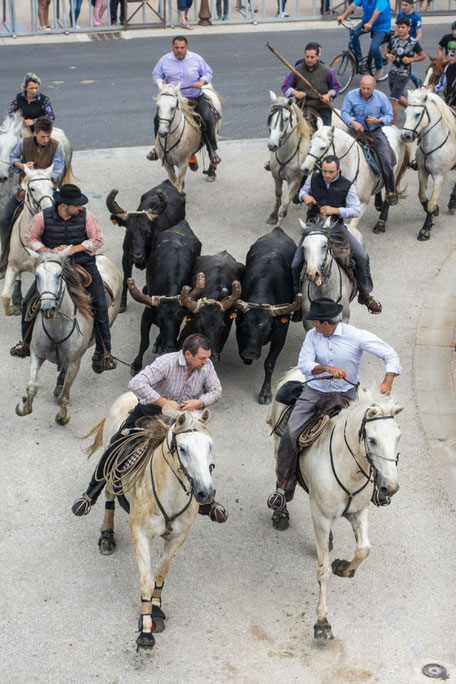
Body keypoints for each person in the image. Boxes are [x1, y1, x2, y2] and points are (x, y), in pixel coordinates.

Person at [71, 333, 227, 522]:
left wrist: (198, 402)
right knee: (115, 445)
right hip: (151, 412)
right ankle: (90, 495)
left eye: (207, 358)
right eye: (202, 358)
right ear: (188, 355)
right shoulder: (166, 363)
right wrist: (163, 402)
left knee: (199, 450)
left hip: (185, 418)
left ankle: (207, 500)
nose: (206, 362)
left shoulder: (206, 367)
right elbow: (136, 383)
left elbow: (216, 390)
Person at [267, 297, 402, 511]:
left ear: (326, 323)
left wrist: (388, 380)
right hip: (315, 391)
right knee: (290, 434)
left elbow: (390, 354)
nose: (312, 325)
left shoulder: (355, 336)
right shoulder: (313, 336)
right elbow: (304, 364)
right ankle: (283, 486)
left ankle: (378, 487)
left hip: (347, 394)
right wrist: (326, 369)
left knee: (371, 435)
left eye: (315, 321)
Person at [9, 183, 117, 373]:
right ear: (64, 205)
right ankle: (25, 344)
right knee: (28, 303)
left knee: (100, 304)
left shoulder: (86, 216)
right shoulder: (42, 217)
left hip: (82, 263)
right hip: (52, 265)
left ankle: (104, 352)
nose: (80, 208)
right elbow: (29, 238)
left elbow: (97, 239)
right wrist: (47, 251)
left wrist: (73, 248)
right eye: (77, 205)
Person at [295, 155, 382, 314]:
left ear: (338, 170)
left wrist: (335, 210)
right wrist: (304, 197)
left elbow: (355, 209)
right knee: (295, 263)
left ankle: (365, 294)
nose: (327, 175)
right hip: (313, 228)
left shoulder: (347, 186)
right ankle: (296, 299)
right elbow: (303, 192)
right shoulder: (314, 178)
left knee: (362, 256)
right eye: (324, 171)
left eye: (331, 172)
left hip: (336, 228)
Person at [0, 116, 64, 279]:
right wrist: (21, 165)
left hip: (47, 190)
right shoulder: (23, 143)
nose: (46, 140)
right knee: (5, 219)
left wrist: (44, 175)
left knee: (65, 217)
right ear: (35, 133)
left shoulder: (56, 146)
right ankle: (5, 256)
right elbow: (13, 158)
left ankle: (66, 256)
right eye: (43, 136)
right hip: (26, 191)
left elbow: (58, 168)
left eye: (48, 136)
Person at [146, 36, 221, 166]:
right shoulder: (165, 60)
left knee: (207, 119)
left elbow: (208, 72)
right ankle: (157, 148)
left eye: (182, 48)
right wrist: (160, 83)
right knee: (157, 119)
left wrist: (201, 82)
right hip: (174, 99)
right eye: (177, 48)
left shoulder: (196, 59)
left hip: (195, 97)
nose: (179, 50)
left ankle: (212, 151)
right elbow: (156, 75)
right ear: (172, 47)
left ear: (186, 47)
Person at [341, 75, 397, 205]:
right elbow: (345, 112)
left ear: (374, 87)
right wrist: (353, 122)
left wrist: (378, 120)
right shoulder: (351, 95)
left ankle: (391, 191)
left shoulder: (381, 97)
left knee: (386, 159)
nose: (365, 91)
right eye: (363, 88)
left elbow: (389, 114)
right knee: (338, 151)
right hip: (355, 130)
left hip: (374, 132)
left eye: (368, 89)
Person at [281, 42, 341, 126]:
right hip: (302, 107)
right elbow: (285, 86)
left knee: (325, 133)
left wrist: (328, 95)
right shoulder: (296, 70)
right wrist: (296, 93)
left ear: (317, 56)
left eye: (312, 57)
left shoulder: (328, 71)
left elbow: (336, 87)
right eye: (307, 57)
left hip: (321, 107)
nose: (309, 60)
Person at [338, 0, 391, 79]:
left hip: (381, 26)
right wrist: (343, 16)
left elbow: (377, 10)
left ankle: (379, 68)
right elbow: (353, 4)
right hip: (366, 22)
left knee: (374, 47)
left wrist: (370, 23)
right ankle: (359, 56)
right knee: (353, 33)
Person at [386, 16, 425, 124]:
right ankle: (415, 109)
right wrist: (389, 56)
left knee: (393, 99)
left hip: (404, 74)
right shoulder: (393, 39)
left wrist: (411, 59)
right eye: (399, 27)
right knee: (398, 97)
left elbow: (422, 56)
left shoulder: (413, 42)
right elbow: (387, 51)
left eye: (403, 27)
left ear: (408, 28)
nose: (400, 29)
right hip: (393, 72)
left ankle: (391, 125)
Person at [395, 0, 422, 87]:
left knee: (403, 65)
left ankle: (401, 86)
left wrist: (412, 45)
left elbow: (419, 34)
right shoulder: (400, 15)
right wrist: (394, 40)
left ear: (412, 5)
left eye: (405, 5)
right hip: (400, 42)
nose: (403, 7)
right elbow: (397, 30)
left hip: (409, 44)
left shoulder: (416, 17)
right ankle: (417, 81)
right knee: (403, 65)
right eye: (402, 5)